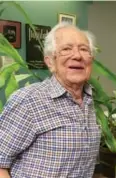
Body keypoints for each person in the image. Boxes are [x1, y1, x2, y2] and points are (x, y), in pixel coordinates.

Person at [0, 23, 101, 177]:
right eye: (66, 49)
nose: (77, 55)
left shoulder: (89, 101)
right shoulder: (28, 101)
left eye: (84, 49)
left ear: (91, 60)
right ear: (50, 62)